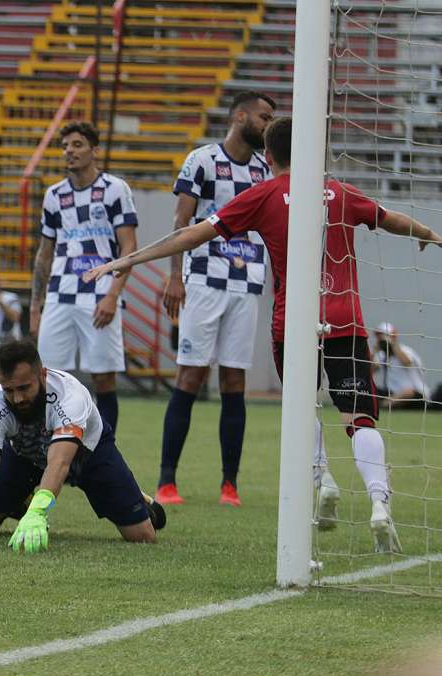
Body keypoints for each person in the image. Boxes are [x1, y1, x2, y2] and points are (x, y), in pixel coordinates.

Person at [83, 116, 442, 553]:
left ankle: (322, 478)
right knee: (359, 418)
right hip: (345, 320)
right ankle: (378, 503)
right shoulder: (340, 192)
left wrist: (129, 260)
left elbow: (191, 233)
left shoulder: (263, 194)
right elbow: (389, 219)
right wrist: (426, 233)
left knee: (300, 410)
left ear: (267, 156)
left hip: (293, 323)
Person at [157, 91, 277, 508]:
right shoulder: (202, 160)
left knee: (234, 382)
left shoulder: (267, 168)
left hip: (246, 286)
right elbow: (181, 221)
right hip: (203, 282)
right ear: (239, 116)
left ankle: (230, 484)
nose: (268, 124)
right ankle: (167, 482)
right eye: (263, 117)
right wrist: (175, 277)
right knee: (189, 377)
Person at [0, 339, 163, 553]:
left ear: (42, 375)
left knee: (143, 536)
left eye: (25, 388)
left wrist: (38, 512)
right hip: (25, 457)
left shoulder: (69, 395)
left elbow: (60, 463)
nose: (17, 398)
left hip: (87, 454)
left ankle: (137, 498)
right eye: (9, 390)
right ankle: (22, 500)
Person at [28, 121, 138, 435]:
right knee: (49, 377)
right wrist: (36, 307)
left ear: (94, 150)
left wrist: (113, 295)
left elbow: (129, 246)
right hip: (60, 296)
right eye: (65, 146)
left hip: (99, 293)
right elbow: (44, 253)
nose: (69, 152)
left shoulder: (115, 189)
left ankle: (105, 451)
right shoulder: (54, 195)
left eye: (77, 145)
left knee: (103, 376)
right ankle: (48, 448)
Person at [372, 322, 429, 409]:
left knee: (408, 392)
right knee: (371, 389)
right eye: (378, 337)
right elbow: (370, 371)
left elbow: (406, 363)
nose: (380, 339)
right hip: (391, 393)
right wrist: (374, 351)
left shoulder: (406, 350)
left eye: (382, 336)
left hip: (415, 394)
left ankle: (383, 406)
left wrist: (393, 344)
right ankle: (386, 404)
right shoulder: (381, 355)